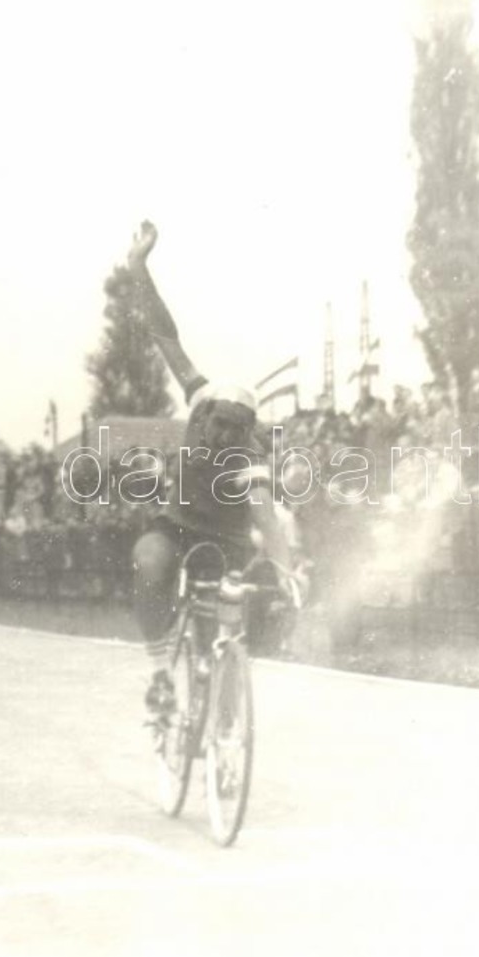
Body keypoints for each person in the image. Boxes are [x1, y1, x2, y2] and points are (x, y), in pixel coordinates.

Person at [124, 222, 293, 715]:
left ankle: (223, 733)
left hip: (227, 545)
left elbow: (265, 514)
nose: (224, 437)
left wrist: (284, 572)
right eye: (219, 425)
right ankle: (159, 672)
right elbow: (163, 333)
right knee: (149, 559)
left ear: (249, 430)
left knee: (223, 639)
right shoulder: (199, 395)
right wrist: (139, 267)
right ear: (206, 412)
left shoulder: (250, 454)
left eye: (236, 431)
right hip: (176, 527)